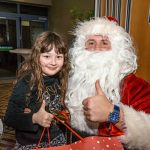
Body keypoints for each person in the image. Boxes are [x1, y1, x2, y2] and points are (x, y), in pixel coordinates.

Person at [65, 16, 150, 150]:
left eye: (105, 43)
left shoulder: (135, 86)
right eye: (91, 43)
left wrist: (113, 113)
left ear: (118, 50)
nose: (97, 48)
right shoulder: (71, 82)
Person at [4, 31, 70, 149]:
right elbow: (10, 117)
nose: (53, 62)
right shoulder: (26, 82)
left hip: (57, 137)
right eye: (47, 56)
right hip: (30, 142)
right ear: (36, 57)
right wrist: (34, 118)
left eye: (59, 57)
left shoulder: (62, 78)